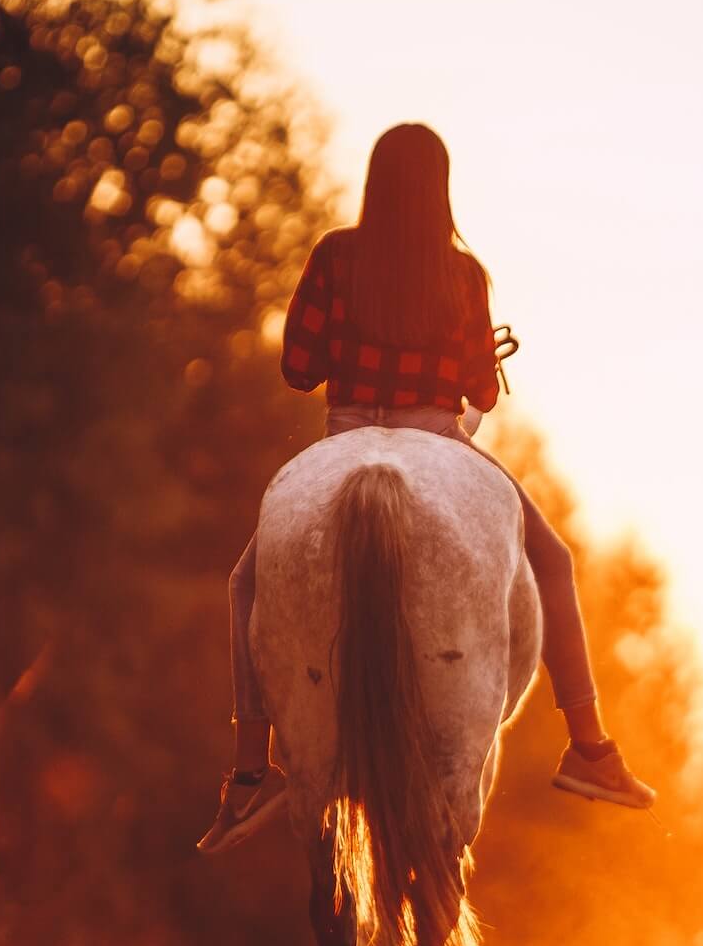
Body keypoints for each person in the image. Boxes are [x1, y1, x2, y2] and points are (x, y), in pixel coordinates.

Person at [199, 123, 656, 852]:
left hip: (343, 433)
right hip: (442, 434)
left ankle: (251, 774)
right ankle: (591, 749)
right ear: (440, 188)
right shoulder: (463, 275)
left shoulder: (334, 256)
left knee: (244, 584)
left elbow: (297, 367)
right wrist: (457, 395)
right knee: (555, 562)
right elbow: (481, 391)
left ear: (375, 182)